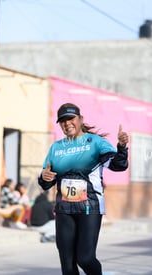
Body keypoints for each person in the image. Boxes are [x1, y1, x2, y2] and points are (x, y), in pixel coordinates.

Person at [38, 103, 129, 275]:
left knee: (85, 258)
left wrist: (122, 148)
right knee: (67, 264)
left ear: (80, 119)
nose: (67, 123)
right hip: (64, 209)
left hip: (90, 207)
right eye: (62, 121)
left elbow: (118, 165)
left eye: (70, 119)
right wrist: (45, 177)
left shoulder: (95, 142)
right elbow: (46, 181)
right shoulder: (56, 148)